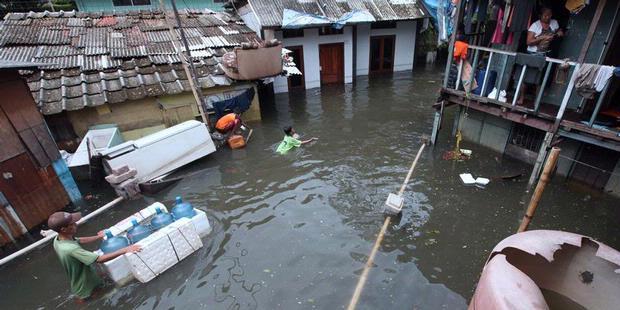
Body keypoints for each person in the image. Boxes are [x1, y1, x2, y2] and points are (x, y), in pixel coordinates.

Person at [48, 211, 141, 302]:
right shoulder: (71, 249)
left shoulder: (58, 239)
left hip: (81, 282)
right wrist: (124, 250)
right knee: (106, 293)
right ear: (63, 229)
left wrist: (98, 236)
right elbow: (99, 259)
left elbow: (80, 240)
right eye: (72, 224)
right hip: (88, 288)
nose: (76, 224)